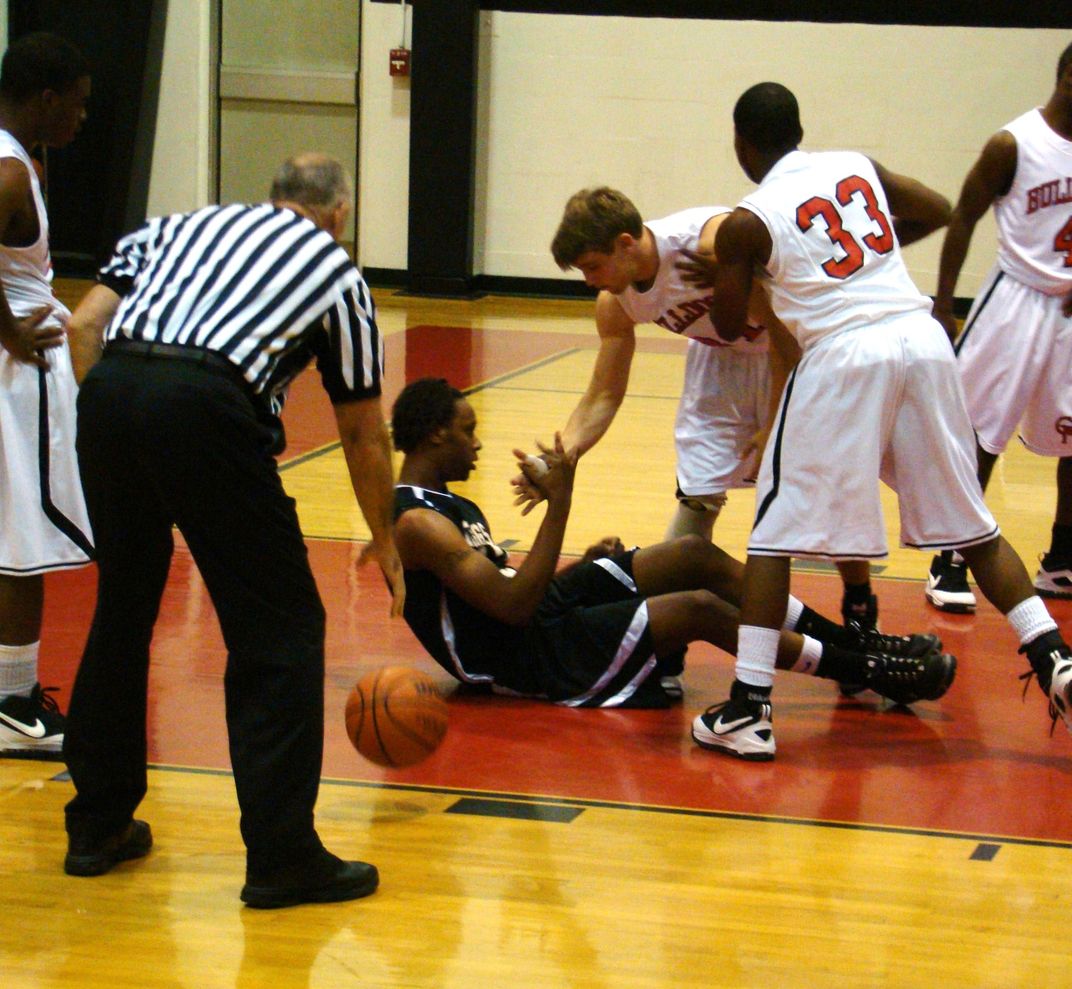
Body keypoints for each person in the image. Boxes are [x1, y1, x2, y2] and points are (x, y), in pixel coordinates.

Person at [683, 82, 1072, 761]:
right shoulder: (854, 165)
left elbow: (724, 320)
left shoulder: (748, 219)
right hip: (918, 339)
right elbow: (936, 208)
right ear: (799, 128)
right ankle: (1055, 658)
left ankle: (748, 706)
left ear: (742, 144)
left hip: (844, 356)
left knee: (772, 537)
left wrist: (736, 272)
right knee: (974, 526)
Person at [60, 153, 405, 908]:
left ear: (271, 196)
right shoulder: (335, 269)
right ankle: (283, 855)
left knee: (123, 607)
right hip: (206, 401)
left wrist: (124, 414)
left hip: (111, 387)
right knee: (279, 629)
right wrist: (384, 539)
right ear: (338, 214)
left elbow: (84, 324)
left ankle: (96, 825)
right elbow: (361, 430)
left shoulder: (172, 226)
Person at [391, 376, 953, 736]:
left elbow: (506, 586)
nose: (478, 442)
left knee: (691, 552)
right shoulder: (416, 524)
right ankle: (870, 671)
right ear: (436, 435)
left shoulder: (448, 504)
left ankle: (851, 638)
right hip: (519, 656)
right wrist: (561, 503)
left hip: (533, 612)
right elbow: (511, 609)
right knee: (698, 608)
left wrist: (582, 565)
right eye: (469, 430)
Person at [543, 190, 886, 696]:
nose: (590, 280)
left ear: (624, 244)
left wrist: (775, 417)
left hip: (789, 350)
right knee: (697, 496)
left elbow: (778, 324)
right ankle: (667, 640)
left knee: (824, 489)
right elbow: (603, 392)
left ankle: (859, 607)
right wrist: (565, 452)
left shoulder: (704, 242)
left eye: (593, 266)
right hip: (718, 364)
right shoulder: (615, 303)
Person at [925, 40, 1072, 613]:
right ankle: (951, 559)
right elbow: (963, 216)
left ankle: (1062, 559)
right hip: (1015, 301)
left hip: (1067, 309)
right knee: (981, 434)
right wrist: (942, 305)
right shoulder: (1014, 143)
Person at [0, 33, 92, 758]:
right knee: (22, 542)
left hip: (18, 366)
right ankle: (12, 702)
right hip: (14, 377)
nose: (83, 118)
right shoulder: (7, 171)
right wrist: (9, 333)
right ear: (48, 99)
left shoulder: (17, 158)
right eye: (80, 104)